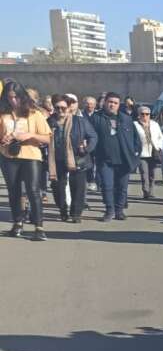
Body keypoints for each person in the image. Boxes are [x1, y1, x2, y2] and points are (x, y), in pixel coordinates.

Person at [1, 80, 53, 240]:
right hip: (8, 156)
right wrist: (4, 139)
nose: (13, 101)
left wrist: (29, 135)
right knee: (14, 191)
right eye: (9, 97)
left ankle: (39, 226)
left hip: (30, 156)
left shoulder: (34, 113)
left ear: (22, 97)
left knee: (33, 190)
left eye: (16, 97)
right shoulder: (3, 114)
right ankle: (18, 223)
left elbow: (48, 138)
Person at [90, 93, 140, 221]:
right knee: (107, 186)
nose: (112, 104)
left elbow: (136, 138)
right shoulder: (96, 118)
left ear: (119, 105)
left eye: (115, 103)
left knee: (122, 187)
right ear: (105, 102)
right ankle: (109, 210)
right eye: (110, 102)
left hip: (124, 160)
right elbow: (90, 135)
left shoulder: (126, 119)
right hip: (104, 159)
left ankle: (119, 211)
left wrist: (135, 152)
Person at [48, 94, 97, 223]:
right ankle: (62, 209)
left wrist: (86, 149)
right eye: (57, 108)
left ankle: (76, 213)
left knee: (78, 188)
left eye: (63, 108)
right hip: (56, 160)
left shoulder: (79, 121)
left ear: (69, 108)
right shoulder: (49, 121)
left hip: (77, 158)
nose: (60, 111)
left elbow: (93, 136)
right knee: (57, 187)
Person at [133, 106, 163, 199]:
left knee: (152, 174)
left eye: (147, 114)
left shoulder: (154, 124)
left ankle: (151, 191)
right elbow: (132, 138)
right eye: (142, 114)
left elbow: (160, 136)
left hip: (153, 152)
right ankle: (146, 191)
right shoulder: (135, 124)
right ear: (139, 115)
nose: (145, 116)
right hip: (142, 153)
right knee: (144, 173)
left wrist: (159, 147)